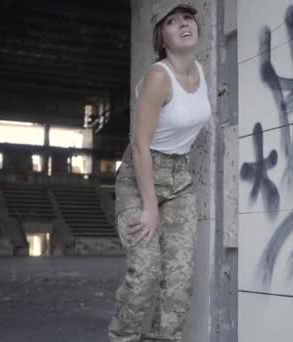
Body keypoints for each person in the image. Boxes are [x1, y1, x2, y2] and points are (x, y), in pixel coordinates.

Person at [108, 1, 211, 341]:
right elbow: (140, 146)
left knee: (179, 282)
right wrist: (149, 207)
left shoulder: (200, 71)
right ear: (161, 36)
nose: (184, 25)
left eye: (188, 18)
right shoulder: (157, 77)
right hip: (140, 176)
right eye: (172, 21)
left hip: (179, 177)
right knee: (146, 276)